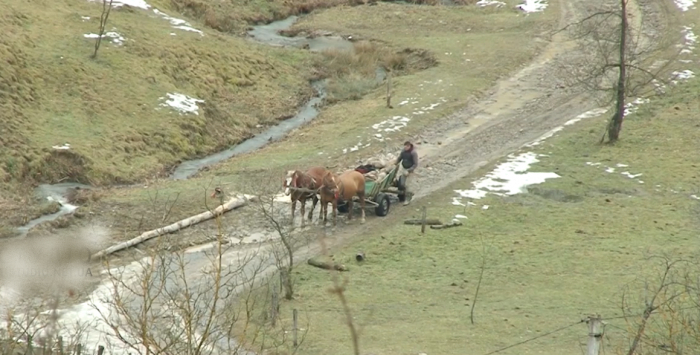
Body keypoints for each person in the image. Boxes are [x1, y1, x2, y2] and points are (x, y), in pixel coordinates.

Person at [396, 141, 418, 205]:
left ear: (409, 146)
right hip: (403, 168)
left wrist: (409, 170)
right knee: (402, 183)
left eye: (406, 146)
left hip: (410, 170)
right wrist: (395, 163)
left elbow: (415, 164)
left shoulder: (413, 153)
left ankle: (408, 199)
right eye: (404, 146)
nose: (405, 147)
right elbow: (400, 158)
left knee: (408, 185)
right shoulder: (403, 152)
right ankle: (402, 196)